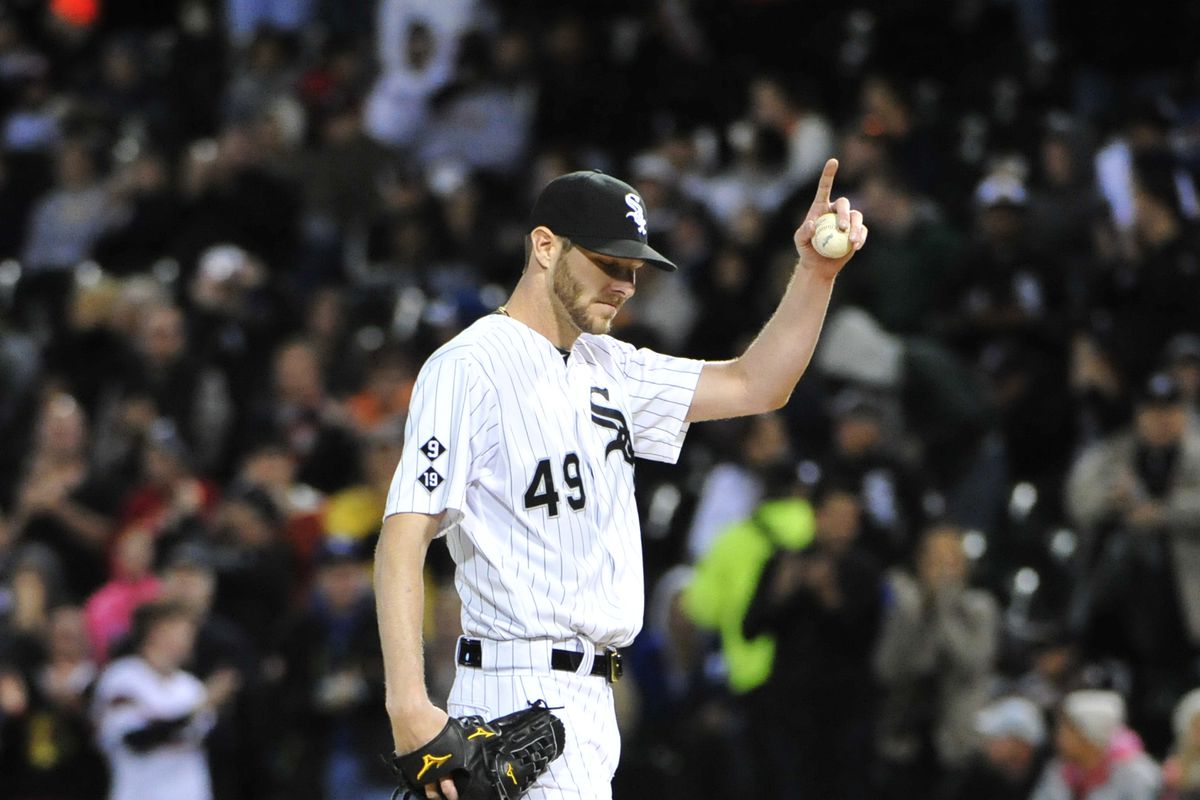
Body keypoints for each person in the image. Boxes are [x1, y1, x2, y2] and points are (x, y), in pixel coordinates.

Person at [376, 159, 867, 799]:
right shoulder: (470, 365)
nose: (627, 284)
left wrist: (814, 273)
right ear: (545, 246)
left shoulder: (612, 367)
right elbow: (403, 536)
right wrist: (407, 704)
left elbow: (758, 383)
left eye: (634, 269)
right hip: (514, 683)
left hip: (593, 701)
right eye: (610, 263)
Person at [91, 600, 240, 800]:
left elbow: (219, 746)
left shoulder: (190, 686)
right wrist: (199, 707)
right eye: (183, 632)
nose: (190, 640)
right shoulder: (122, 677)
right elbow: (135, 740)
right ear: (157, 632)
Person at [1029, 689, 1160, 800]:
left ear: (1089, 733)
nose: (1058, 736)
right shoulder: (1058, 770)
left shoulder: (1136, 773)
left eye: (1068, 730)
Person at [940, 695, 1050, 800]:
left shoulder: (1050, 783)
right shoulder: (980, 777)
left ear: (1018, 744)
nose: (987, 744)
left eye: (995, 736)